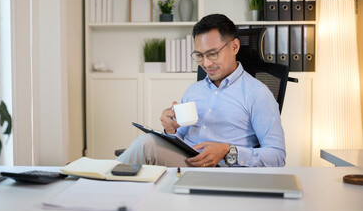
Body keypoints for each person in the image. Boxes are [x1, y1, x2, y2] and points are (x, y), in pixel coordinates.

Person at [117, 14, 286, 167]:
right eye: (199, 55)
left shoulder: (258, 94)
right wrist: (170, 129)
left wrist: (228, 151)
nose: (206, 64)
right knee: (149, 143)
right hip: (185, 162)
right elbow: (180, 137)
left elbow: (277, 156)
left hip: (220, 171)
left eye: (212, 54)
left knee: (147, 145)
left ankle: (100, 182)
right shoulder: (194, 90)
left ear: (234, 47)